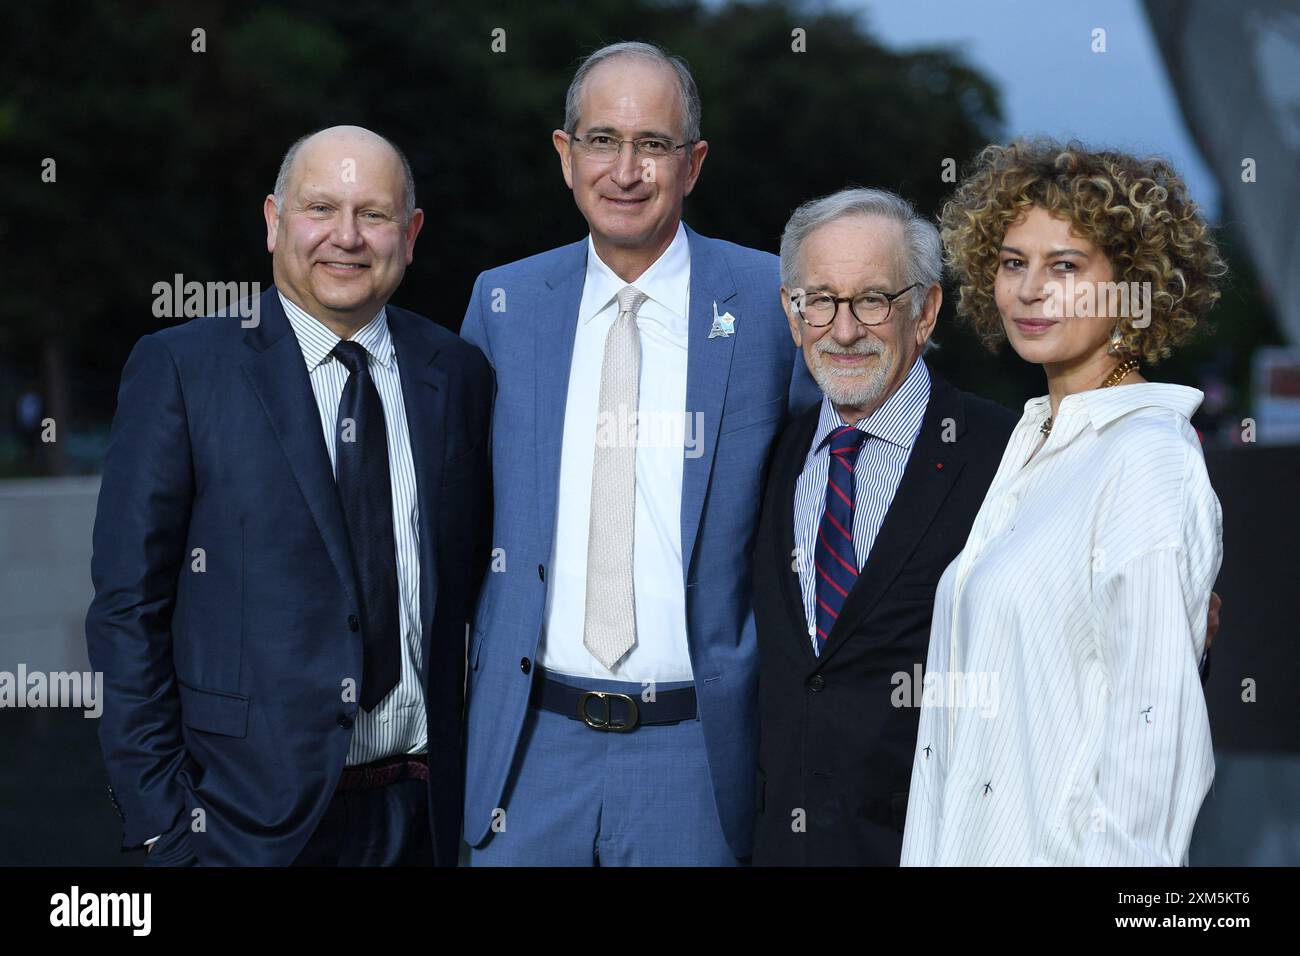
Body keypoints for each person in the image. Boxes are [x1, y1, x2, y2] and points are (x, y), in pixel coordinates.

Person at [85, 125, 493, 866]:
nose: (347, 237)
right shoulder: (182, 370)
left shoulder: (456, 373)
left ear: (411, 232)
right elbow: (126, 609)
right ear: (274, 221)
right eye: (320, 209)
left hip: (426, 814)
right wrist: (160, 823)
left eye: (373, 214)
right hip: (240, 825)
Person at [460, 41, 818, 865]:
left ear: (691, 165)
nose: (624, 170)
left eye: (652, 145)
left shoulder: (770, 306)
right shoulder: (503, 304)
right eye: (600, 141)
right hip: (527, 750)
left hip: (695, 753)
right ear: (565, 155)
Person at [900, 140, 1226, 866]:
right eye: (1014, 262)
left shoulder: (1148, 457)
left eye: (1066, 266)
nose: (1029, 289)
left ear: (1134, 285)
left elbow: (1156, 755)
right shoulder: (1033, 444)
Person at [751, 188, 1017, 865]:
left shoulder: (1004, 454)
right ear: (792, 311)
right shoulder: (769, 460)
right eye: (820, 300)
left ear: (924, 311)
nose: (843, 330)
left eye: (873, 300)